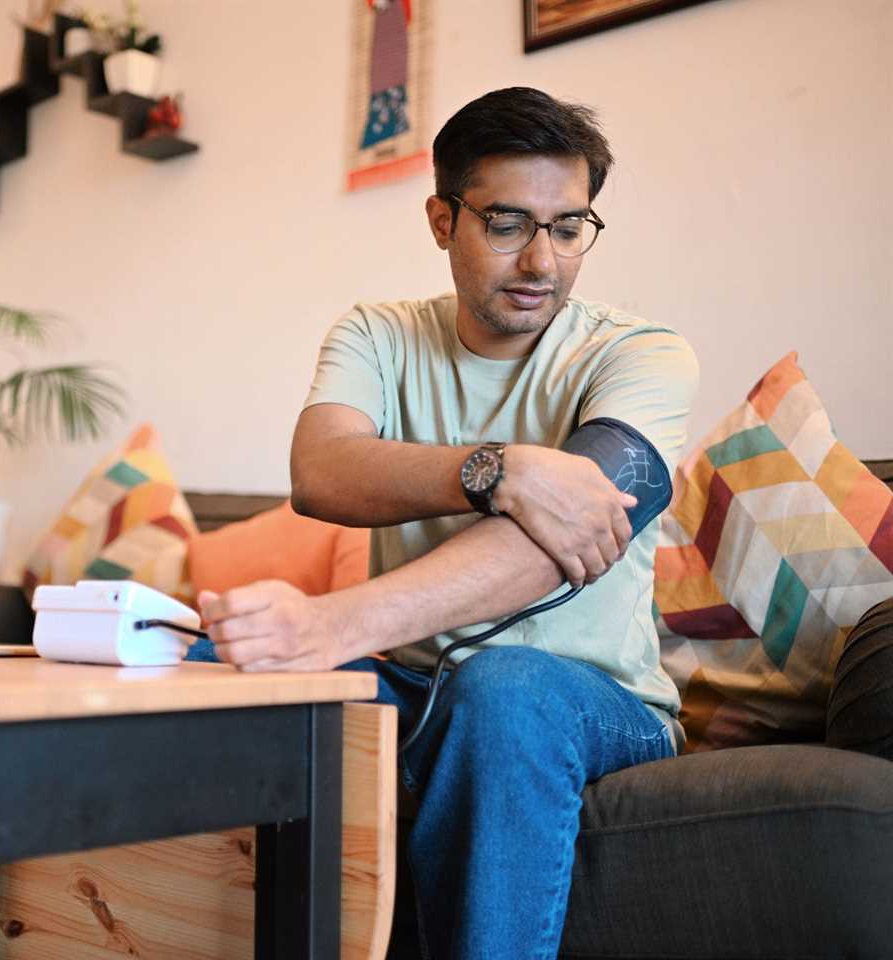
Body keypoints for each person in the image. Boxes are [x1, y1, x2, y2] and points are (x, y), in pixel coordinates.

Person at [188, 86, 699, 960]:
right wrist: (501, 469)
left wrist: (335, 622)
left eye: (569, 227)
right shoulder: (377, 336)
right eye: (507, 223)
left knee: (501, 688)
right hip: (416, 687)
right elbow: (320, 473)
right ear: (441, 219)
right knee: (200, 673)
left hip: (598, 702)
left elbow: (567, 541)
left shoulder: (642, 354)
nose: (541, 259)